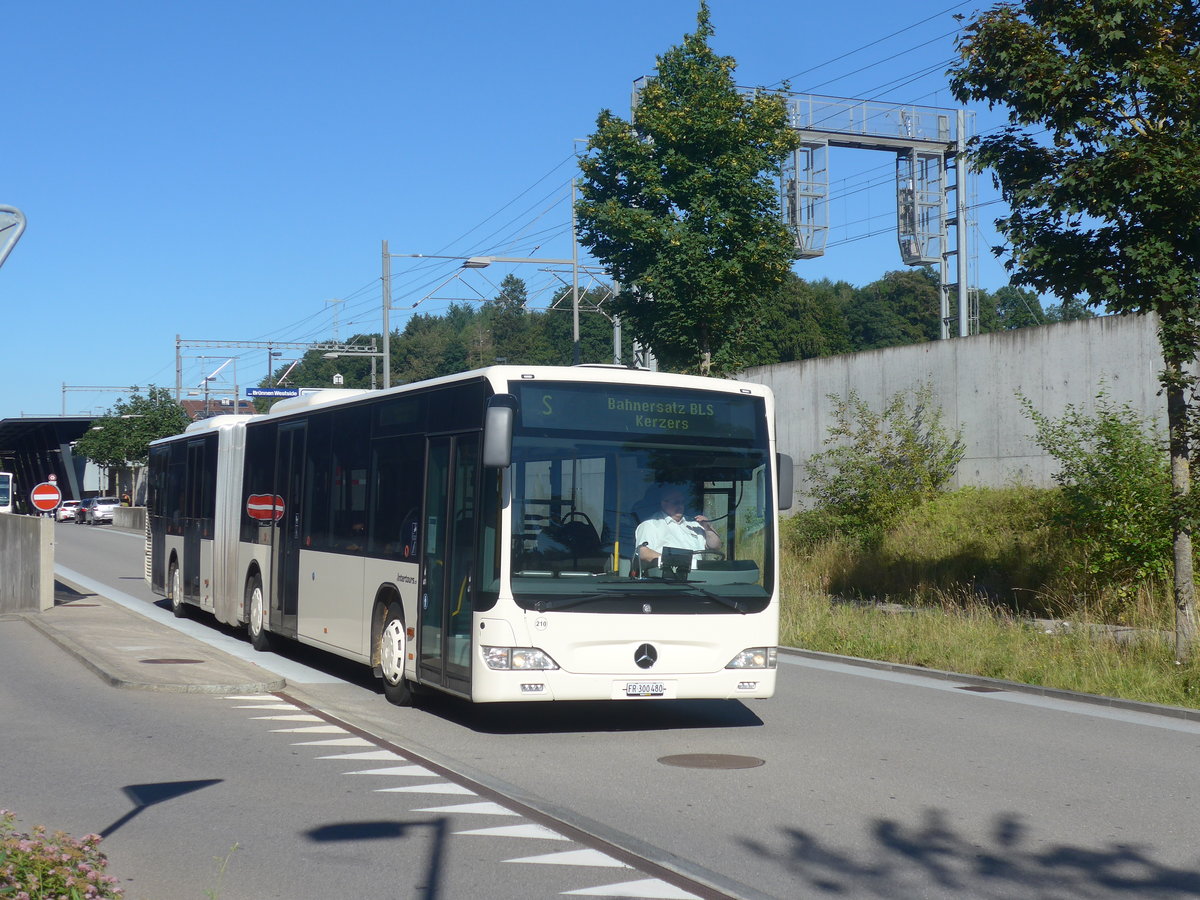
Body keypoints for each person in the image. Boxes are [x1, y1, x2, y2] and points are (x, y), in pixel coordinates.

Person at [635, 486, 721, 568]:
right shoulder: (650, 525)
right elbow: (643, 552)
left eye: (682, 502)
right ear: (664, 503)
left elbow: (715, 546)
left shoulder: (694, 524)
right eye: (676, 503)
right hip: (667, 577)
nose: (680, 506)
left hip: (697, 576)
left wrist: (708, 528)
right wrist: (674, 561)